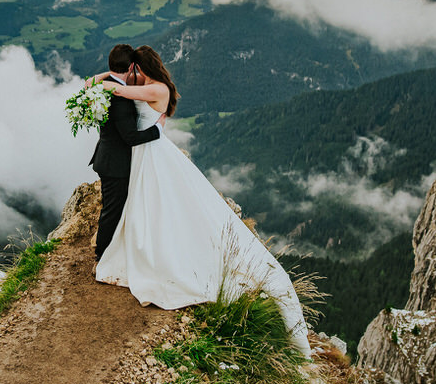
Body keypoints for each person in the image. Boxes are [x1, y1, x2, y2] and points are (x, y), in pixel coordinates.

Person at [87, 45, 311, 356]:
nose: (133, 74)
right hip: (142, 156)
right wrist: (108, 77)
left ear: (143, 67)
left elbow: (123, 94)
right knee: (147, 202)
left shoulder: (156, 88)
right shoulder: (144, 84)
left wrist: (109, 81)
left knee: (160, 201)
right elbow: (121, 88)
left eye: (135, 68)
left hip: (151, 151)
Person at [88, 44, 164, 262]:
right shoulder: (120, 98)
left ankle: (114, 250)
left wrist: (110, 72)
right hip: (116, 164)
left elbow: (88, 83)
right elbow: (131, 138)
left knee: (113, 208)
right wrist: (158, 129)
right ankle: (102, 255)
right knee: (112, 211)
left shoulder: (102, 86)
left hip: (107, 157)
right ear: (132, 67)